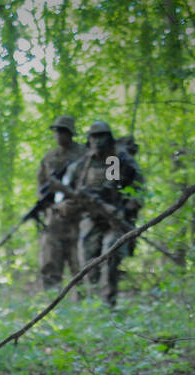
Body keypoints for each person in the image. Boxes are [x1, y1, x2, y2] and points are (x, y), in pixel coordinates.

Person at [60, 120, 144, 305]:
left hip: (115, 217)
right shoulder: (82, 165)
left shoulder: (116, 160)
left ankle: (107, 304)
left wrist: (127, 207)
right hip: (90, 218)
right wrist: (68, 204)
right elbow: (65, 194)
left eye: (101, 136)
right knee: (88, 262)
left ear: (109, 138)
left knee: (110, 256)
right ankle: (92, 304)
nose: (97, 141)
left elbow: (127, 189)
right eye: (94, 137)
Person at [36, 116, 86, 289]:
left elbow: (90, 187)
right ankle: (51, 301)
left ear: (70, 133)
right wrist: (49, 205)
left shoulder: (84, 154)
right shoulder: (49, 157)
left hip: (80, 216)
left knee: (79, 260)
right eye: (56, 131)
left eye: (62, 131)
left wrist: (73, 203)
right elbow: (42, 185)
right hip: (55, 217)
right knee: (50, 258)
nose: (58, 135)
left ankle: (84, 303)